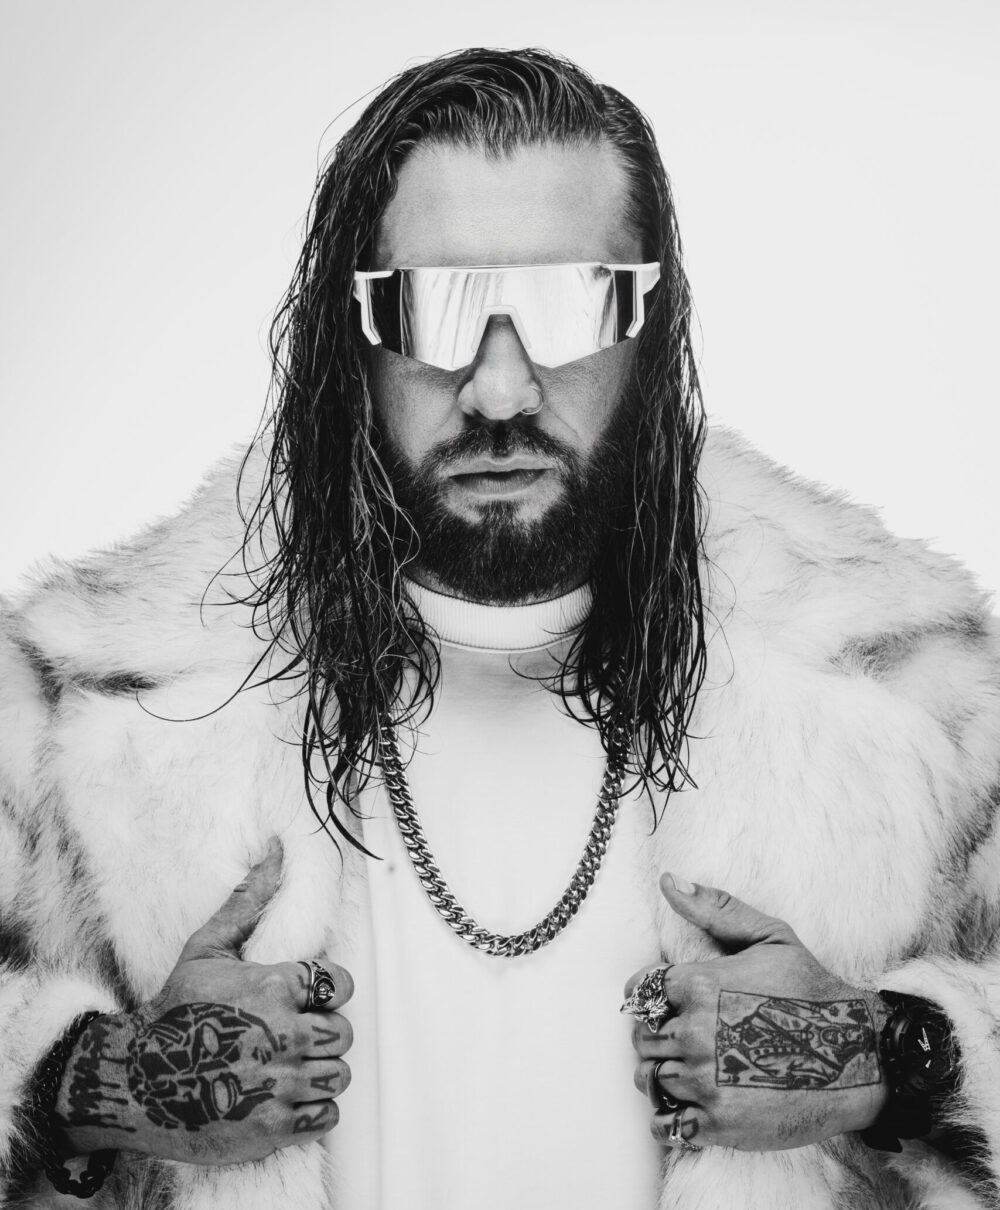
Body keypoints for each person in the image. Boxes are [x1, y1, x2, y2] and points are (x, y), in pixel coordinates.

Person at [1, 46, 999, 1210]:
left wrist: (890, 1058)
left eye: (572, 303)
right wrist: (101, 1080)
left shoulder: (914, 703)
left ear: (650, 323)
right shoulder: (76, 716)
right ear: (349, 334)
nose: (501, 389)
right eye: (432, 308)